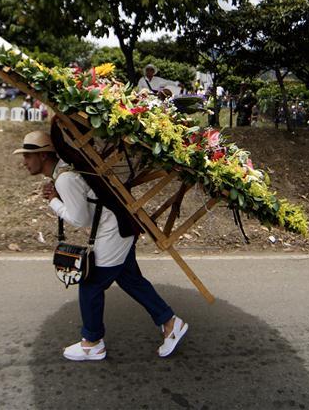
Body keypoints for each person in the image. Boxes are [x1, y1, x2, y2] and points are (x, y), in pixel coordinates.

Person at [15, 130, 187, 362]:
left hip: (114, 232)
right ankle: (170, 322)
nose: (24, 162)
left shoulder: (65, 178)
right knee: (130, 279)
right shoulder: (66, 170)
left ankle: (92, 342)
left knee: (91, 284)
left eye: (27, 156)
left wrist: (53, 202)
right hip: (121, 226)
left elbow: (80, 219)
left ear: (44, 156)